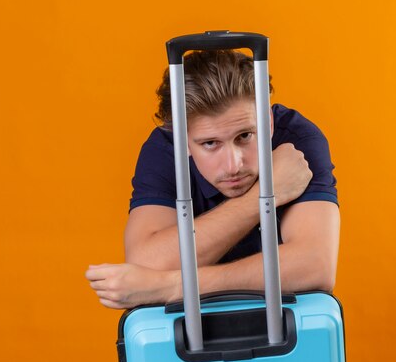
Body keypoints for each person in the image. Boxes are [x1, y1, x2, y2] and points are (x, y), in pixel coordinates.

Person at [86, 50, 340, 309]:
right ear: (181, 140)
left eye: (245, 136)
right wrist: (262, 195)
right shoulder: (162, 150)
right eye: (210, 143)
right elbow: (145, 264)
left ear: (269, 123)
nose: (234, 165)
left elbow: (315, 266)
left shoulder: (296, 139)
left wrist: (173, 287)